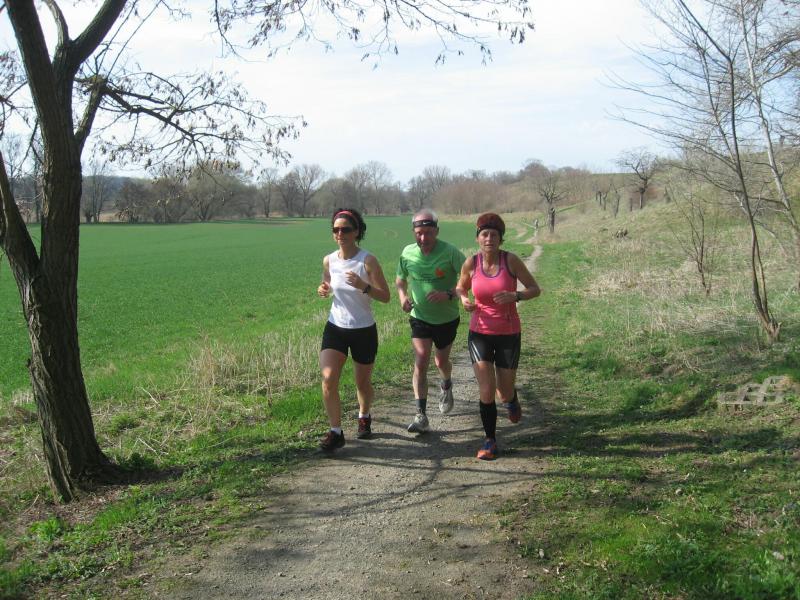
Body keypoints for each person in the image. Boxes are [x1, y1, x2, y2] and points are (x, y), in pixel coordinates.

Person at [456, 213, 541, 460]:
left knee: (503, 391)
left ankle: (512, 400)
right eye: (484, 234)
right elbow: (461, 286)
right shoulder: (471, 263)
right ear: (478, 238)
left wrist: (516, 296)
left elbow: (535, 289)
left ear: (500, 239)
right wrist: (464, 299)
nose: (489, 239)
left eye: (494, 235)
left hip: (508, 332)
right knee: (486, 388)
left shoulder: (511, 261)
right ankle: (490, 441)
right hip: (479, 332)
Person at [317, 208, 390, 453]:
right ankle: (336, 432)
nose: (340, 234)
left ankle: (364, 415)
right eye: (336, 229)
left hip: (363, 330)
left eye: (346, 229)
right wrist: (323, 289)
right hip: (335, 327)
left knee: (362, 383)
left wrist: (363, 286)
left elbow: (385, 296)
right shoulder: (329, 260)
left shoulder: (367, 261)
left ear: (357, 232)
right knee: (328, 378)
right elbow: (328, 283)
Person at [396, 209, 466, 433]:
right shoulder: (407, 253)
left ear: (437, 231)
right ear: (413, 232)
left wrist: (449, 294)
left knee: (440, 362)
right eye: (419, 233)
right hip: (420, 317)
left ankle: (446, 383)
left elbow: (470, 278)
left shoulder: (450, 252)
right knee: (421, 360)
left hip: (446, 319)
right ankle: (421, 415)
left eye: (428, 232)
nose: (423, 238)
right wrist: (403, 297)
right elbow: (400, 280)